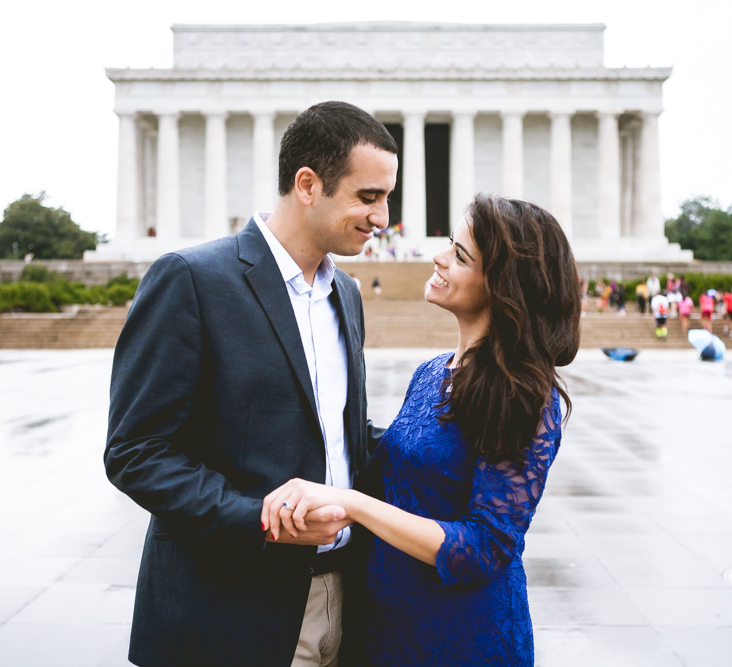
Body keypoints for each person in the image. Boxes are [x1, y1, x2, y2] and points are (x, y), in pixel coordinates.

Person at [104, 101, 398, 667]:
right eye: (369, 197)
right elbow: (135, 452)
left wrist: (446, 444)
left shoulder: (347, 295)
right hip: (226, 612)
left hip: (341, 599)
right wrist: (264, 521)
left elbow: (337, 431)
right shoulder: (192, 280)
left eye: (386, 197)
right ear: (308, 185)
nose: (383, 218)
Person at [262, 193, 580, 667]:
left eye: (460, 254)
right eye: (451, 243)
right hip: (387, 627)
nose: (439, 255)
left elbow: (483, 549)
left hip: (461, 637)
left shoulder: (528, 396)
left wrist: (354, 504)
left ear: (502, 286)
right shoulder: (433, 372)